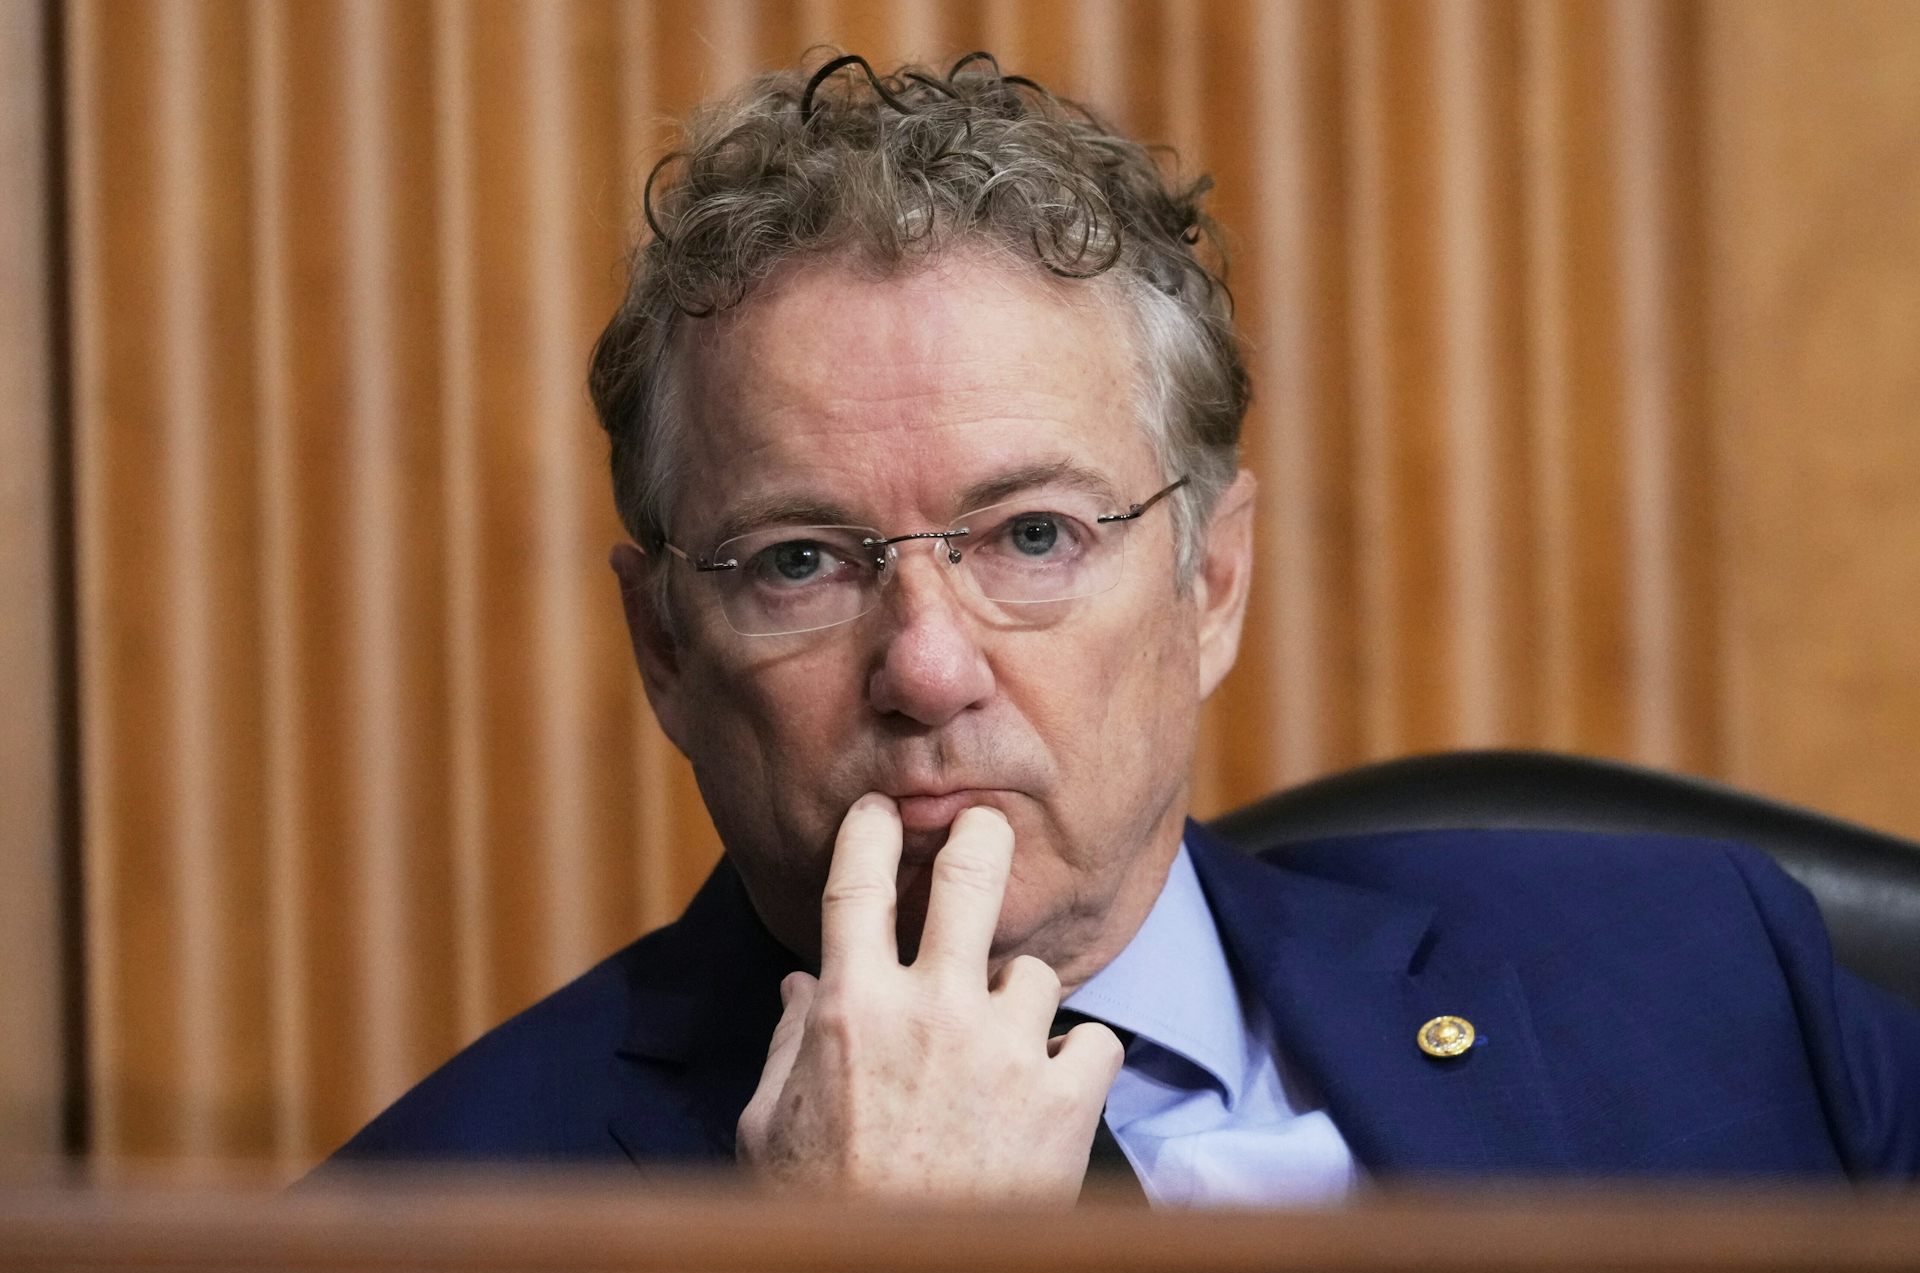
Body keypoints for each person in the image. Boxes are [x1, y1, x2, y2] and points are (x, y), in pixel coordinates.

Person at [326, 52, 1920, 1202]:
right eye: (802, 561)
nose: (929, 667)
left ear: (1209, 583)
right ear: (664, 649)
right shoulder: (427, 1224)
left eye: (1032, 535)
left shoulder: (1703, 978)